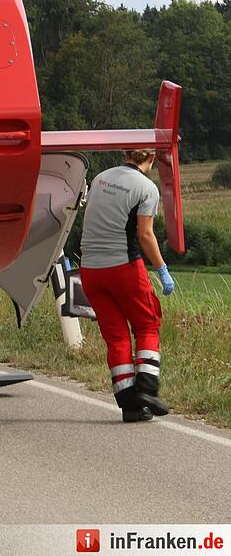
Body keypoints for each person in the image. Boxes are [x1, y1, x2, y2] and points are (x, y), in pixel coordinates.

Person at [80, 149, 175, 423]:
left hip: (90, 270)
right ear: (152, 158)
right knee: (147, 324)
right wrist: (162, 269)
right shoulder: (146, 188)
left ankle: (129, 405)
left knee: (117, 336)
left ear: (125, 152)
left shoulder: (100, 178)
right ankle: (147, 389)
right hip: (123, 267)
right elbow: (145, 234)